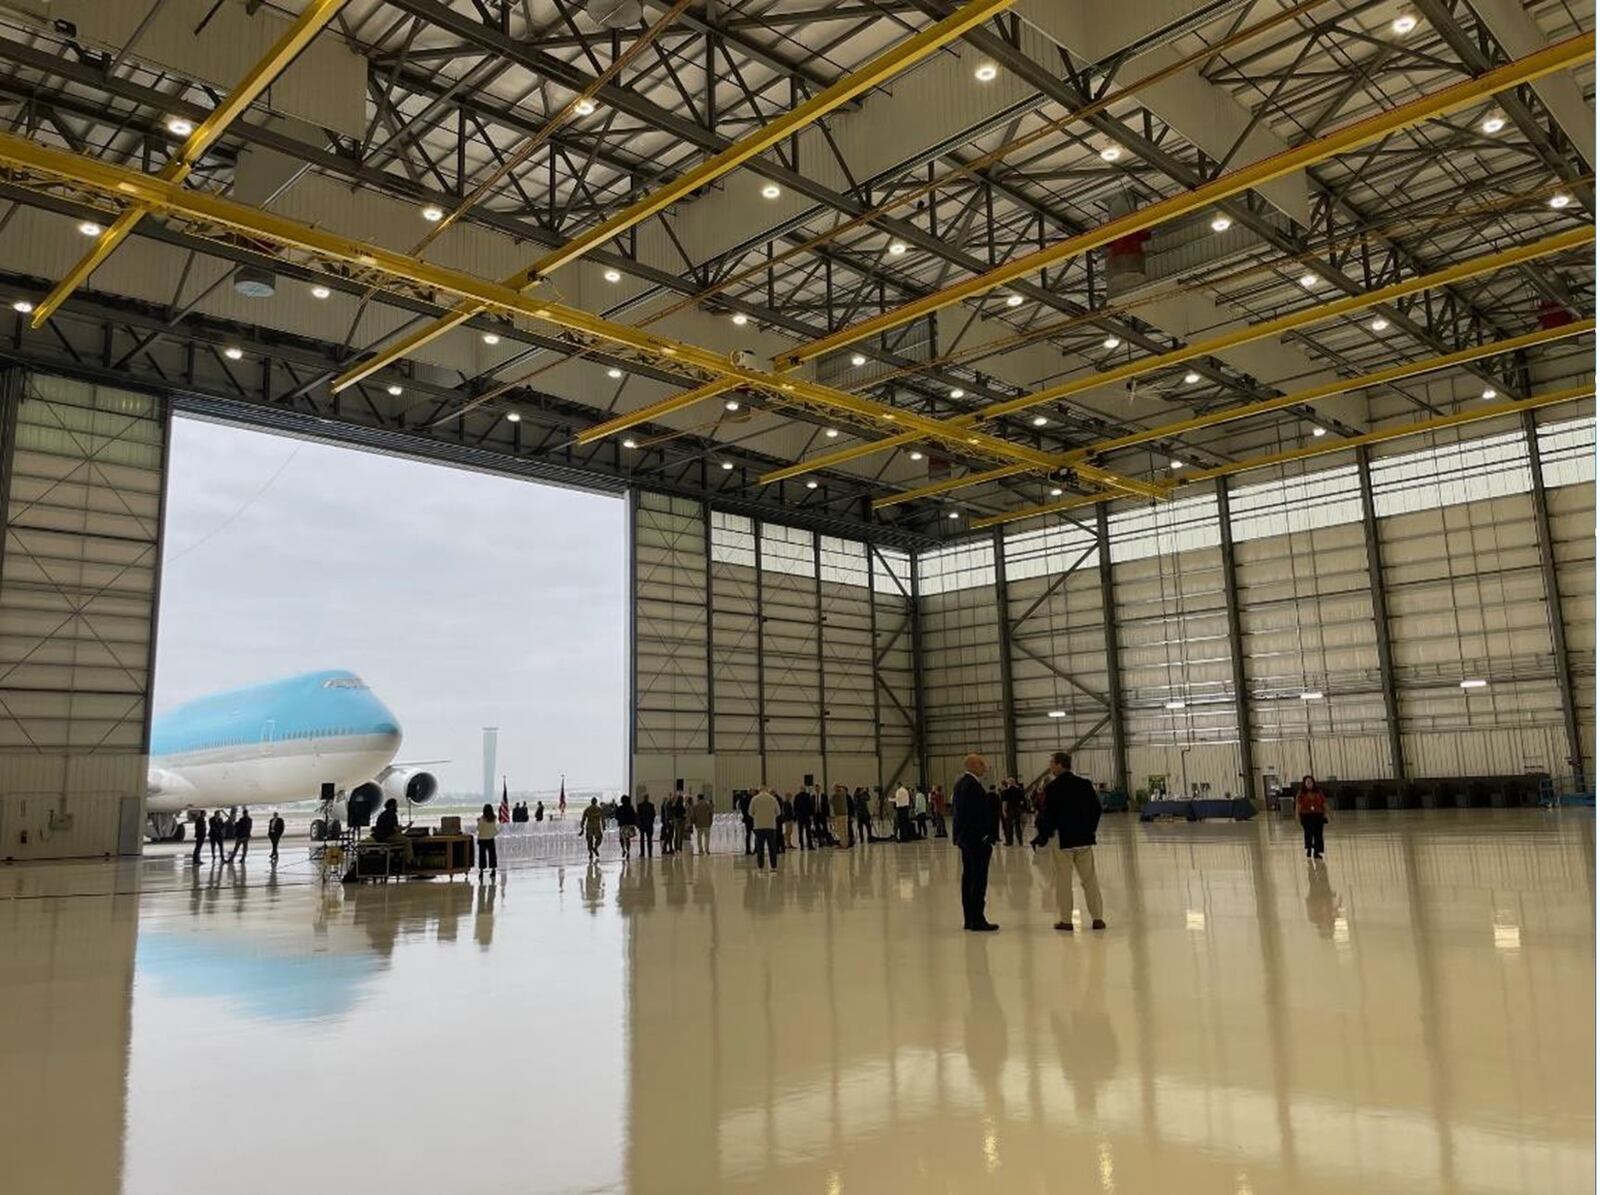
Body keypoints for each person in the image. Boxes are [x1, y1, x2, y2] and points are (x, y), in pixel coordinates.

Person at [1033, 752, 1105, 932]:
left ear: (1059, 765)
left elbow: (1048, 815)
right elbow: (1096, 809)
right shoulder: (1085, 784)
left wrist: (1044, 833)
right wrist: (1090, 829)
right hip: (1084, 839)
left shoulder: (1053, 788)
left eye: (1051, 763)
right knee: (1090, 880)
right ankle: (1097, 918)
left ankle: (1066, 920)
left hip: (1063, 839)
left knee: (1063, 881)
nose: (1050, 767)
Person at [952, 754, 998, 931]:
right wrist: (983, 836)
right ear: (972, 765)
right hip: (975, 840)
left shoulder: (962, 784)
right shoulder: (971, 786)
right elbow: (972, 815)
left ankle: (969, 918)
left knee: (969, 877)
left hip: (966, 839)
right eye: (981, 763)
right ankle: (977, 919)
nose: (984, 766)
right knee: (978, 878)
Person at [373, 798, 414, 867]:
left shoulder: (383, 814)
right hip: (387, 837)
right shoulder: (392, 814)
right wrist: (407, 827)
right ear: (392, 806)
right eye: (396, 805)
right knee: (408, 841)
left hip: (380, 837)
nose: (397, 807)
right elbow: (395, 829)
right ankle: (409, 862)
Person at [1296, 774, 1329, 859]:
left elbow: (1324, 803)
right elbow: (1298, 805)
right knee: (1308, 834)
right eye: (1307, 782)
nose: (1309, 784)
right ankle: (1309, 848)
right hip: (1306, 816)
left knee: (1318, 834)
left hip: (1318, 815)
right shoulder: (1301, 793)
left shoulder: (1319, 792)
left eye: (1310, 782)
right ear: (1304, 783)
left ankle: (1317, 852)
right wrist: (1297, 816)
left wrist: (1327, 813)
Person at [749, 786, 781, 872]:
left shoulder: (754, 799)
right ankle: (773, 867)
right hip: (771, 826)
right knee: (772, 847)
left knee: (760, 848)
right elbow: (778, 812)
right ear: (767, 791)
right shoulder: (773, 799)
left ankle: (760, 867)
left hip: (758, 826)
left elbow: (750, 812)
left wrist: (758, 817)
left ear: (759, 791)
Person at [477, 803, 500, 876]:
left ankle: (481, 871)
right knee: (492, 855)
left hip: (482, 839)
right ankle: (493, 870)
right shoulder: (494, 818)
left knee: (482, 856)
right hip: (490, 838)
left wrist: (478, 822)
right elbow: (495, 828)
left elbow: (478, 829)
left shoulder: (482, 819)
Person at [615, 794, 637, 861]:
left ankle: (623, 849)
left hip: (622, 825)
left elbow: (616, 816)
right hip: (629, 825)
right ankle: (628, 851)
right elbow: (634, 816)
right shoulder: (630, 807)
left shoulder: (620, 808)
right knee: (627, 839)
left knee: (621, 838)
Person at [637, 794, 655, 858]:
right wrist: (651, 821)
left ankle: (642, 853)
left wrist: (639, 824)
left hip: (642, 825)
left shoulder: (639, 806)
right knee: (649, 839)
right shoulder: (651, 805)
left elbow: (638, 816)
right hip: (649, 825)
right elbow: (653, 815)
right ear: (648, 798)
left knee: (642, 839)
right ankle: (650, 853)